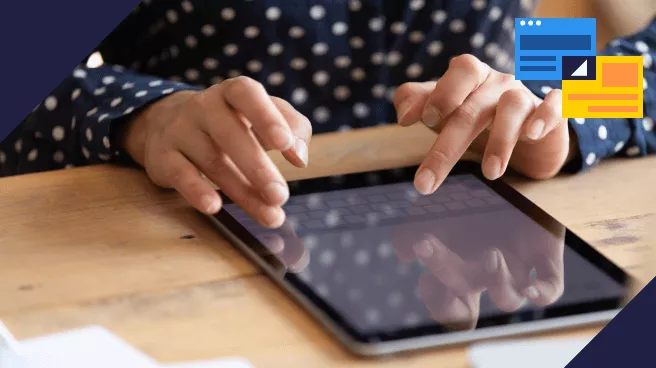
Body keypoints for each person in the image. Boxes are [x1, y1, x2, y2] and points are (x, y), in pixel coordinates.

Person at [0, 0, 654, 230]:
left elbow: (562, 30)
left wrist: (563, 118)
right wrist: (143, 115)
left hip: (487, 237)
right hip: (199, 239)